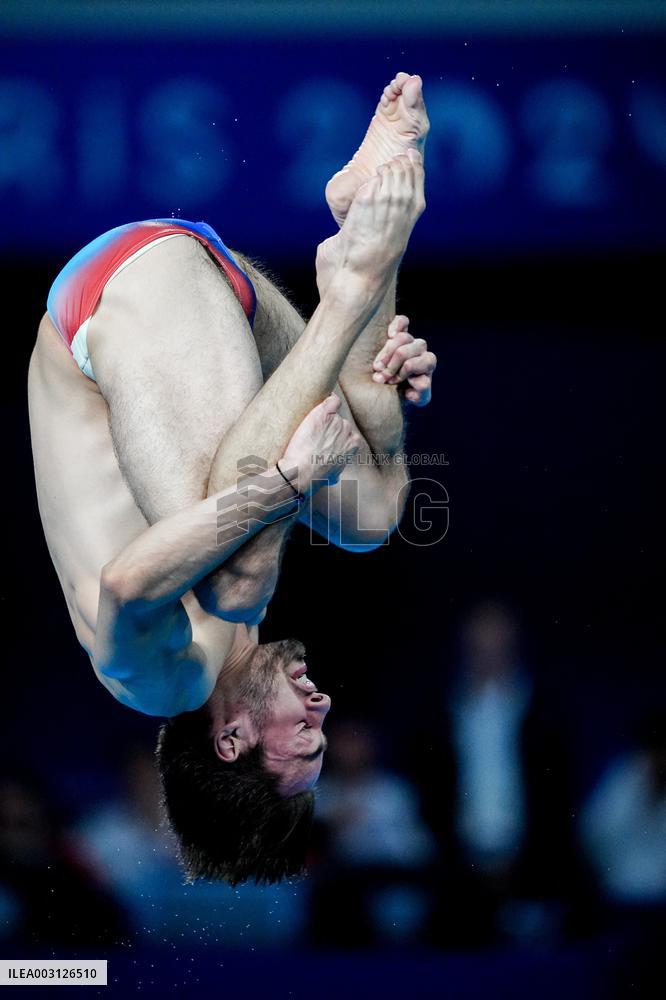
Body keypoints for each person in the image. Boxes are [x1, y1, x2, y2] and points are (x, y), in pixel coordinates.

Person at [27, 75, 435, 884]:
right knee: (375, 510)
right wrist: (381, 413)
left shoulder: (158, 683)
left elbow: (125, 580)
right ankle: (358, 222)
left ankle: (349, 288)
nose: (322, 711)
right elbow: (318, 468)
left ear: (232, 741)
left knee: (242, 568)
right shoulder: (235, 643)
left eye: (305, 737)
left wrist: (288, 482)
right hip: (223, 296)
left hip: (114, 297)